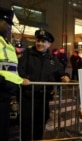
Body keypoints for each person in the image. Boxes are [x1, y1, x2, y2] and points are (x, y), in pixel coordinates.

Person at [18, 28, 70, 140]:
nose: (39, 44)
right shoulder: (26, 54)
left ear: (49, 44)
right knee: (26, 126)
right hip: (28, 97)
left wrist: (66, 76)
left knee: (40, 126)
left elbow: (60, 71)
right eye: (38, 41)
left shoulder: (52, 59)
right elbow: (19, 69)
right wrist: (23, 78)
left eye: (43, 41)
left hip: (44, 99)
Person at [0, 7, 28, 141]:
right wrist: (2, 83)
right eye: (7, 24)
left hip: (5, 95)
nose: (9, 28)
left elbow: (11, 68)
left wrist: (19, 80)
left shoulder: (6, 43)